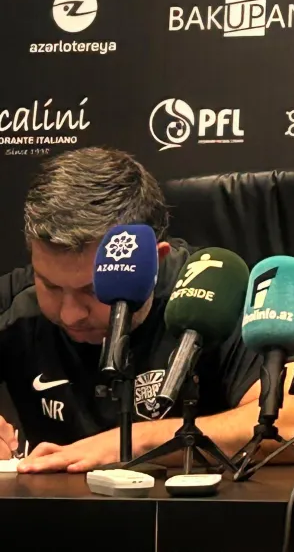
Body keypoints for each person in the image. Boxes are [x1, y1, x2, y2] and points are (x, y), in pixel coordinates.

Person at [0, 147, 265, 472]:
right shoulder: (16, 300)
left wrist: (137, 442)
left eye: (93, 290)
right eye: (51, 286)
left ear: (155, 262)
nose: (70, 314)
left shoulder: (214, 295)